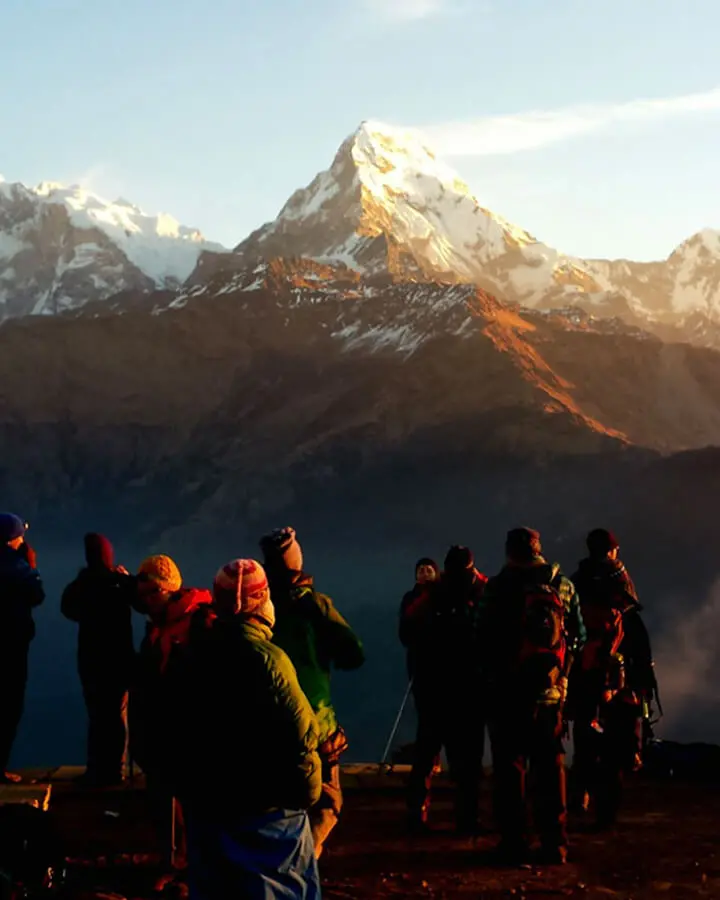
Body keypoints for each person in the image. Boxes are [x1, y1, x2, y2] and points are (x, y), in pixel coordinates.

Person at [174, 558, 322, 900]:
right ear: (263, 602)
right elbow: (300, 736)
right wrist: (308, 793)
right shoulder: (270, 661)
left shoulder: (194, 655)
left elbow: (171, 730)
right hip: (268, 813)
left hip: (208, 808)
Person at [482, 527, 585, 865]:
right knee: (550, 767)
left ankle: (514, 844)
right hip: (549, 693)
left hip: (505, 693)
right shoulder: (562, 584)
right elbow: (580, 636)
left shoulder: (495, 588)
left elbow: (479, 636)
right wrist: (561, 675)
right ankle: (555, 843)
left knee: (510, 771)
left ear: (509, 551)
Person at [260, 526, 364, 858]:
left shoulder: (260, 606)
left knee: (278, 800)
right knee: (326, 800)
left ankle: (280, 860)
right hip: (317, 721)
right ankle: (304, 857)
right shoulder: (315, 607)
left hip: (270, 720)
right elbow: (353, 653)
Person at [128, 555, 215, 878]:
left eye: (154, 592)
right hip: (161, 731)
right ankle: (176, 863)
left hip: (185, 730)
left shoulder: (198, 623)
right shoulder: (164, 623)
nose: (147, 600)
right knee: (165, 802)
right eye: (144, 594)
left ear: (170, 590)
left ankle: (183, 869)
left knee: (183, 801)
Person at [568, 528, 652, 829]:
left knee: (584, 734)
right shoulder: (619, 578)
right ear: (612, 551)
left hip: (583, 671)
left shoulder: (576, 580)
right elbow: (632, 624)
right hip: (616, 675)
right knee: (615, 742)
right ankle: (606, 809)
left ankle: (579, 796)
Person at [400, 549, 487, 834]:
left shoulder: (431, 596)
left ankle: (417, 812)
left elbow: (408, 631)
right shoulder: (482, 590)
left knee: (426, 753)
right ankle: (467, 818)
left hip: (433, 687)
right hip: (469, 689)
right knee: (467, 760)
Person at [61, 534, 136, 787]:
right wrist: (126, 579)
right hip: (119, 659)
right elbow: (142, 600)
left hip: (91, 660)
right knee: (116, 714)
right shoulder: (119, 584)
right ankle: (115, 770)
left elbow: (67, 608)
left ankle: (96, 770)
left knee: (97, 716)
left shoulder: (82, 585)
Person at [0, 514, 44, 784]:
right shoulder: (16, 566)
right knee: (8, 707)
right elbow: (36, 595)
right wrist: (31, 566)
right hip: (11, 646)